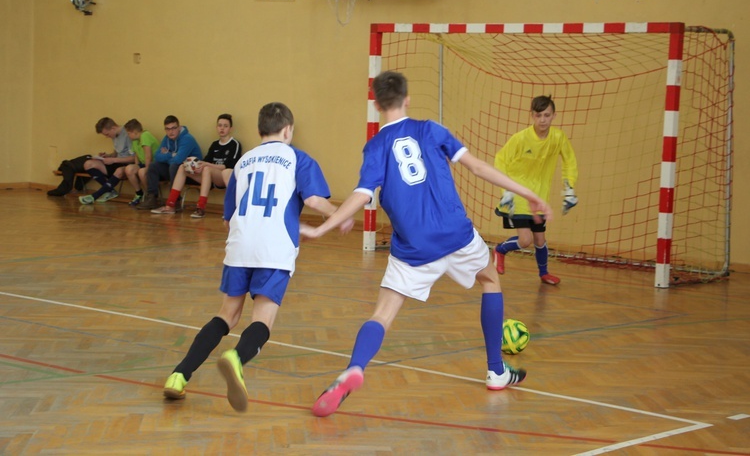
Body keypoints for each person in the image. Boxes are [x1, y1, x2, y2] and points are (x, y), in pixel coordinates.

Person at [299, 70, 553, 418]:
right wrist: (528, 193)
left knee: (382, 313)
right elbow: (477, 168)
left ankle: (354, 368)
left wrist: (323, 227)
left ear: (376, 103)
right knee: (490, 280)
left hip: (413, 247)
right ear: (407, 99)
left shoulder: (375, 146)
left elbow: (362, 195)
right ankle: (496, 371)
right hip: (456, 234)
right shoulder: (431, 129)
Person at [162, 102, 353, 413]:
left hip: (239, 244)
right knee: (263, 317)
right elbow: (316, 199)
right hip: (274, 248)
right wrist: (339, 215)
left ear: (259, 130)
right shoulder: (298, 158)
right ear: (288, 130)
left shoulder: (243, 162)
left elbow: (228, 217)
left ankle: (178, 376)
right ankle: (237, 358)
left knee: (227, 314)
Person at [492, 95, 578, 285]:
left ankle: (544, 273)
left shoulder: (558, 137)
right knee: (525, 240)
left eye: (547, 115)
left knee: (540, 239)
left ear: (554, 115)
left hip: (539, 199)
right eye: (538, 115)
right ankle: (499, 250)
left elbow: (569, 162)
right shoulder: (520, 138)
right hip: (518, 197)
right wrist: (506, 189)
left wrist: (569, 187)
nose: (542, 120)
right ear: (532, 115)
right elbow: (500, 160)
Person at [151, 113, 242, 218]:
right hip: (208, 176)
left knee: (207, 169)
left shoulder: (234, 144)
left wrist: (206, 165)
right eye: (220, 125)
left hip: (222, 177)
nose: (222, 128)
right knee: (182, 167)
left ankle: (201, 207)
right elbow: (206, 160)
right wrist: (197, 166)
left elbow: (228, 166)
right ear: (216, 127)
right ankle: (170, 205)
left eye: (225, 126)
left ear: (230, 128)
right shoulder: (214, 144)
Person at [136, 115, 202, 211]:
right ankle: (152, 198)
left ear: (179, 128)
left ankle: (175, 200)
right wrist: (172, 155)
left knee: (174, 166)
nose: (171, 132)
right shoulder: (166, 139)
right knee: (153, 165)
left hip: (192, 171)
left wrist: (168, 154)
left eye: (174, 128)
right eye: (167, 129)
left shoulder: (187, 139)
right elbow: (157, 156)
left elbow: (178, 160)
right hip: (174, 169)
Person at [78, 117, 134, 205]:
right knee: (88, 164)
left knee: (119, 170)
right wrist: (107, 156)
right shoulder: (115, 135)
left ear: (113, 128)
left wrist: (113, 159)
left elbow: (134, 158)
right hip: (116, 162)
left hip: (128, 165)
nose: (107, 137)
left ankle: (94, 196)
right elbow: (117, 153)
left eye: (107, 134)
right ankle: (110, 190)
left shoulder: (128, 134)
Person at [122, 118, 160, 207]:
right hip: (142, 163)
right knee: (129, 169)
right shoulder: (135, 141)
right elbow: (136, 156)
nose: (128, 136)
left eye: (128, 133)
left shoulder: (145, 135)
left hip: (154, 164)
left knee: (142, 172)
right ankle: (139, 193)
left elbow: (148, 156)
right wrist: (136, 166)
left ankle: (151, 196)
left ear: (134, 132)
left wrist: (147, 168)